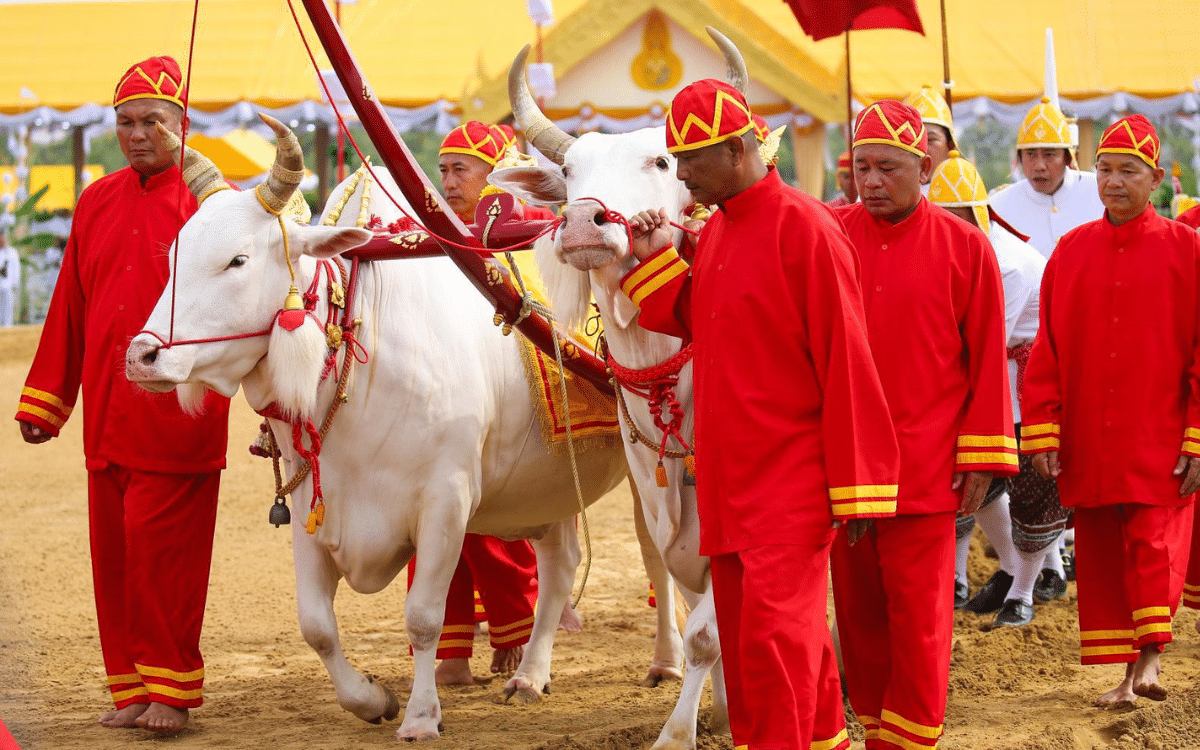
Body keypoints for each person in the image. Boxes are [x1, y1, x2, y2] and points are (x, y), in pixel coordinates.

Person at [620, 78, 900, 750]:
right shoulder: (717, 231)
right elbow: (698, 320)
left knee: (776, 643)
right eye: (676, 159)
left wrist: (859, 487)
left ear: (742, 149)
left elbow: (848, 357)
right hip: (729, 482)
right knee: (766, 643)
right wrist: (651, 256)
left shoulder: (806, 228)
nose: (680, 174)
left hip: (790, 486)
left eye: (692, 159)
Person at [13, 56, 230, 735]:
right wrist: (47, 400)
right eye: (126, 122)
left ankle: (172, 690)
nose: (137, 134)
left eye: (152, 122)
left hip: (179, 414)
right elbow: (70, 306)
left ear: (181, 125)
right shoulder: (96, 200)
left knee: (161, 553)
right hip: (107, 418)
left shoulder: (213, 207)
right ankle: (133, 686)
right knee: (116, 556)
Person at [832, 100, 1017, 748]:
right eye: (862, 168)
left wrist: (982, 461)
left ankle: (911, 741)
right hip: (845, 472)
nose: (874, 182)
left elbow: (989, 363)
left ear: (926, 165)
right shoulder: (829, 235)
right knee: (858, 617)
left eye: (889, 167)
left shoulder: (966, 247)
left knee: (922, 618)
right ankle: (878, 731)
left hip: (928, 469)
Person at [1022, 114, 1200, 706]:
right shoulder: (1070, 253)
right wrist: (1043, 430)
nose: (1114, 181)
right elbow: (1045, 350)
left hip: (1160, 434)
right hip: (1090, 438)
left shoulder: (1188, 251)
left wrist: (1196, 436)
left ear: (1155, 180)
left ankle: (1148, 661)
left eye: (1129, 171)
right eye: (1104, 169)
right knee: (1100, 552)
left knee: (1153, 543)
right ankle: (1124, 674)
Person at [989, 94, 1105, 607]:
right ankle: (1050, 560)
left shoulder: (1098, 191)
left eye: (1050, 153)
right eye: (1030, 154)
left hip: (1096, 332)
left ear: (1069, 156)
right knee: (1039, 453)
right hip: (1033, 350)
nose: (1040, 164)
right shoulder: (1001, 202)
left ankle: (1073, 545)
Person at [928, 151, 1047, 625]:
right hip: (987, 374)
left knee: (1030, 484)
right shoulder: (950, 251)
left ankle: (1025, 588)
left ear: (979, 215)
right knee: (981, 481)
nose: (950, 229)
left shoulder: (1006, 265)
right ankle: (1011, 569)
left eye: (960, 218)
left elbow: (984, 339)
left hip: (1030, 381)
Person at [903, 83, 956, 182]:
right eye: (912, 139)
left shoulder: (964, 193)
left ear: (950, 145)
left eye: (930, 140)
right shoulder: (891, 194)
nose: (921, 148)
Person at [0, 229, 18, 326]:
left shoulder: (12, 252)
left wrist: (15, 285)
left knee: (7, 312)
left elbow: (16, 269)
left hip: (8, 286)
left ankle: (8, 332)